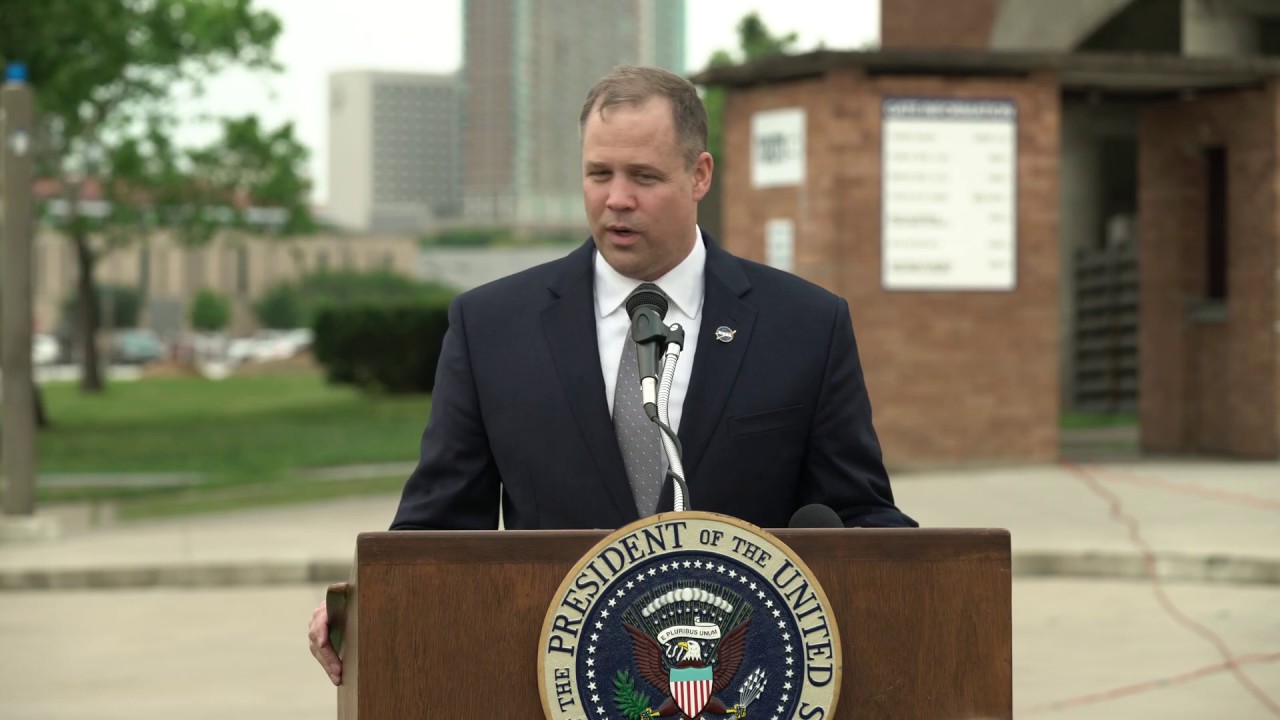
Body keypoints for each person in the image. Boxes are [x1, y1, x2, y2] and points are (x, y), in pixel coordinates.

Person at [308, 65, 916, 685]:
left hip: (744, 682)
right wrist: (367, 597)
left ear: (699, 174)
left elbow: (857, 516)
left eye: (644, 177)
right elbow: (436, 530)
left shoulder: (806, 325)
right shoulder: (490, 327)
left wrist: (933, 573)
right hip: (550, 684)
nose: (616, 199)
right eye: (599, 174)